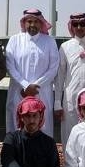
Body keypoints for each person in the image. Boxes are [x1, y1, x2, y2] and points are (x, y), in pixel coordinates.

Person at [5, 8, 60, 136]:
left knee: (43, 130)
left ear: (41, 23)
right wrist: (25, 85)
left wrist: (36, 86)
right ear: (24, 23)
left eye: (36, 22)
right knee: (17, 129)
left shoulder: (49, 41)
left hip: (42, 93)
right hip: (18, 92)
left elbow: (53, 68)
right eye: (29, 21)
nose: (32, 25)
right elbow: (10, 66)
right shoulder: (14, 40)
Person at [53, 13, 85, 144]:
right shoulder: (65, 47)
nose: (79, 27)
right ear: (71, 26)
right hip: (70, 100)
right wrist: (57, 102)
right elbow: (59, 77)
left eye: (82, 24)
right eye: (75, 24)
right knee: (69, 136)